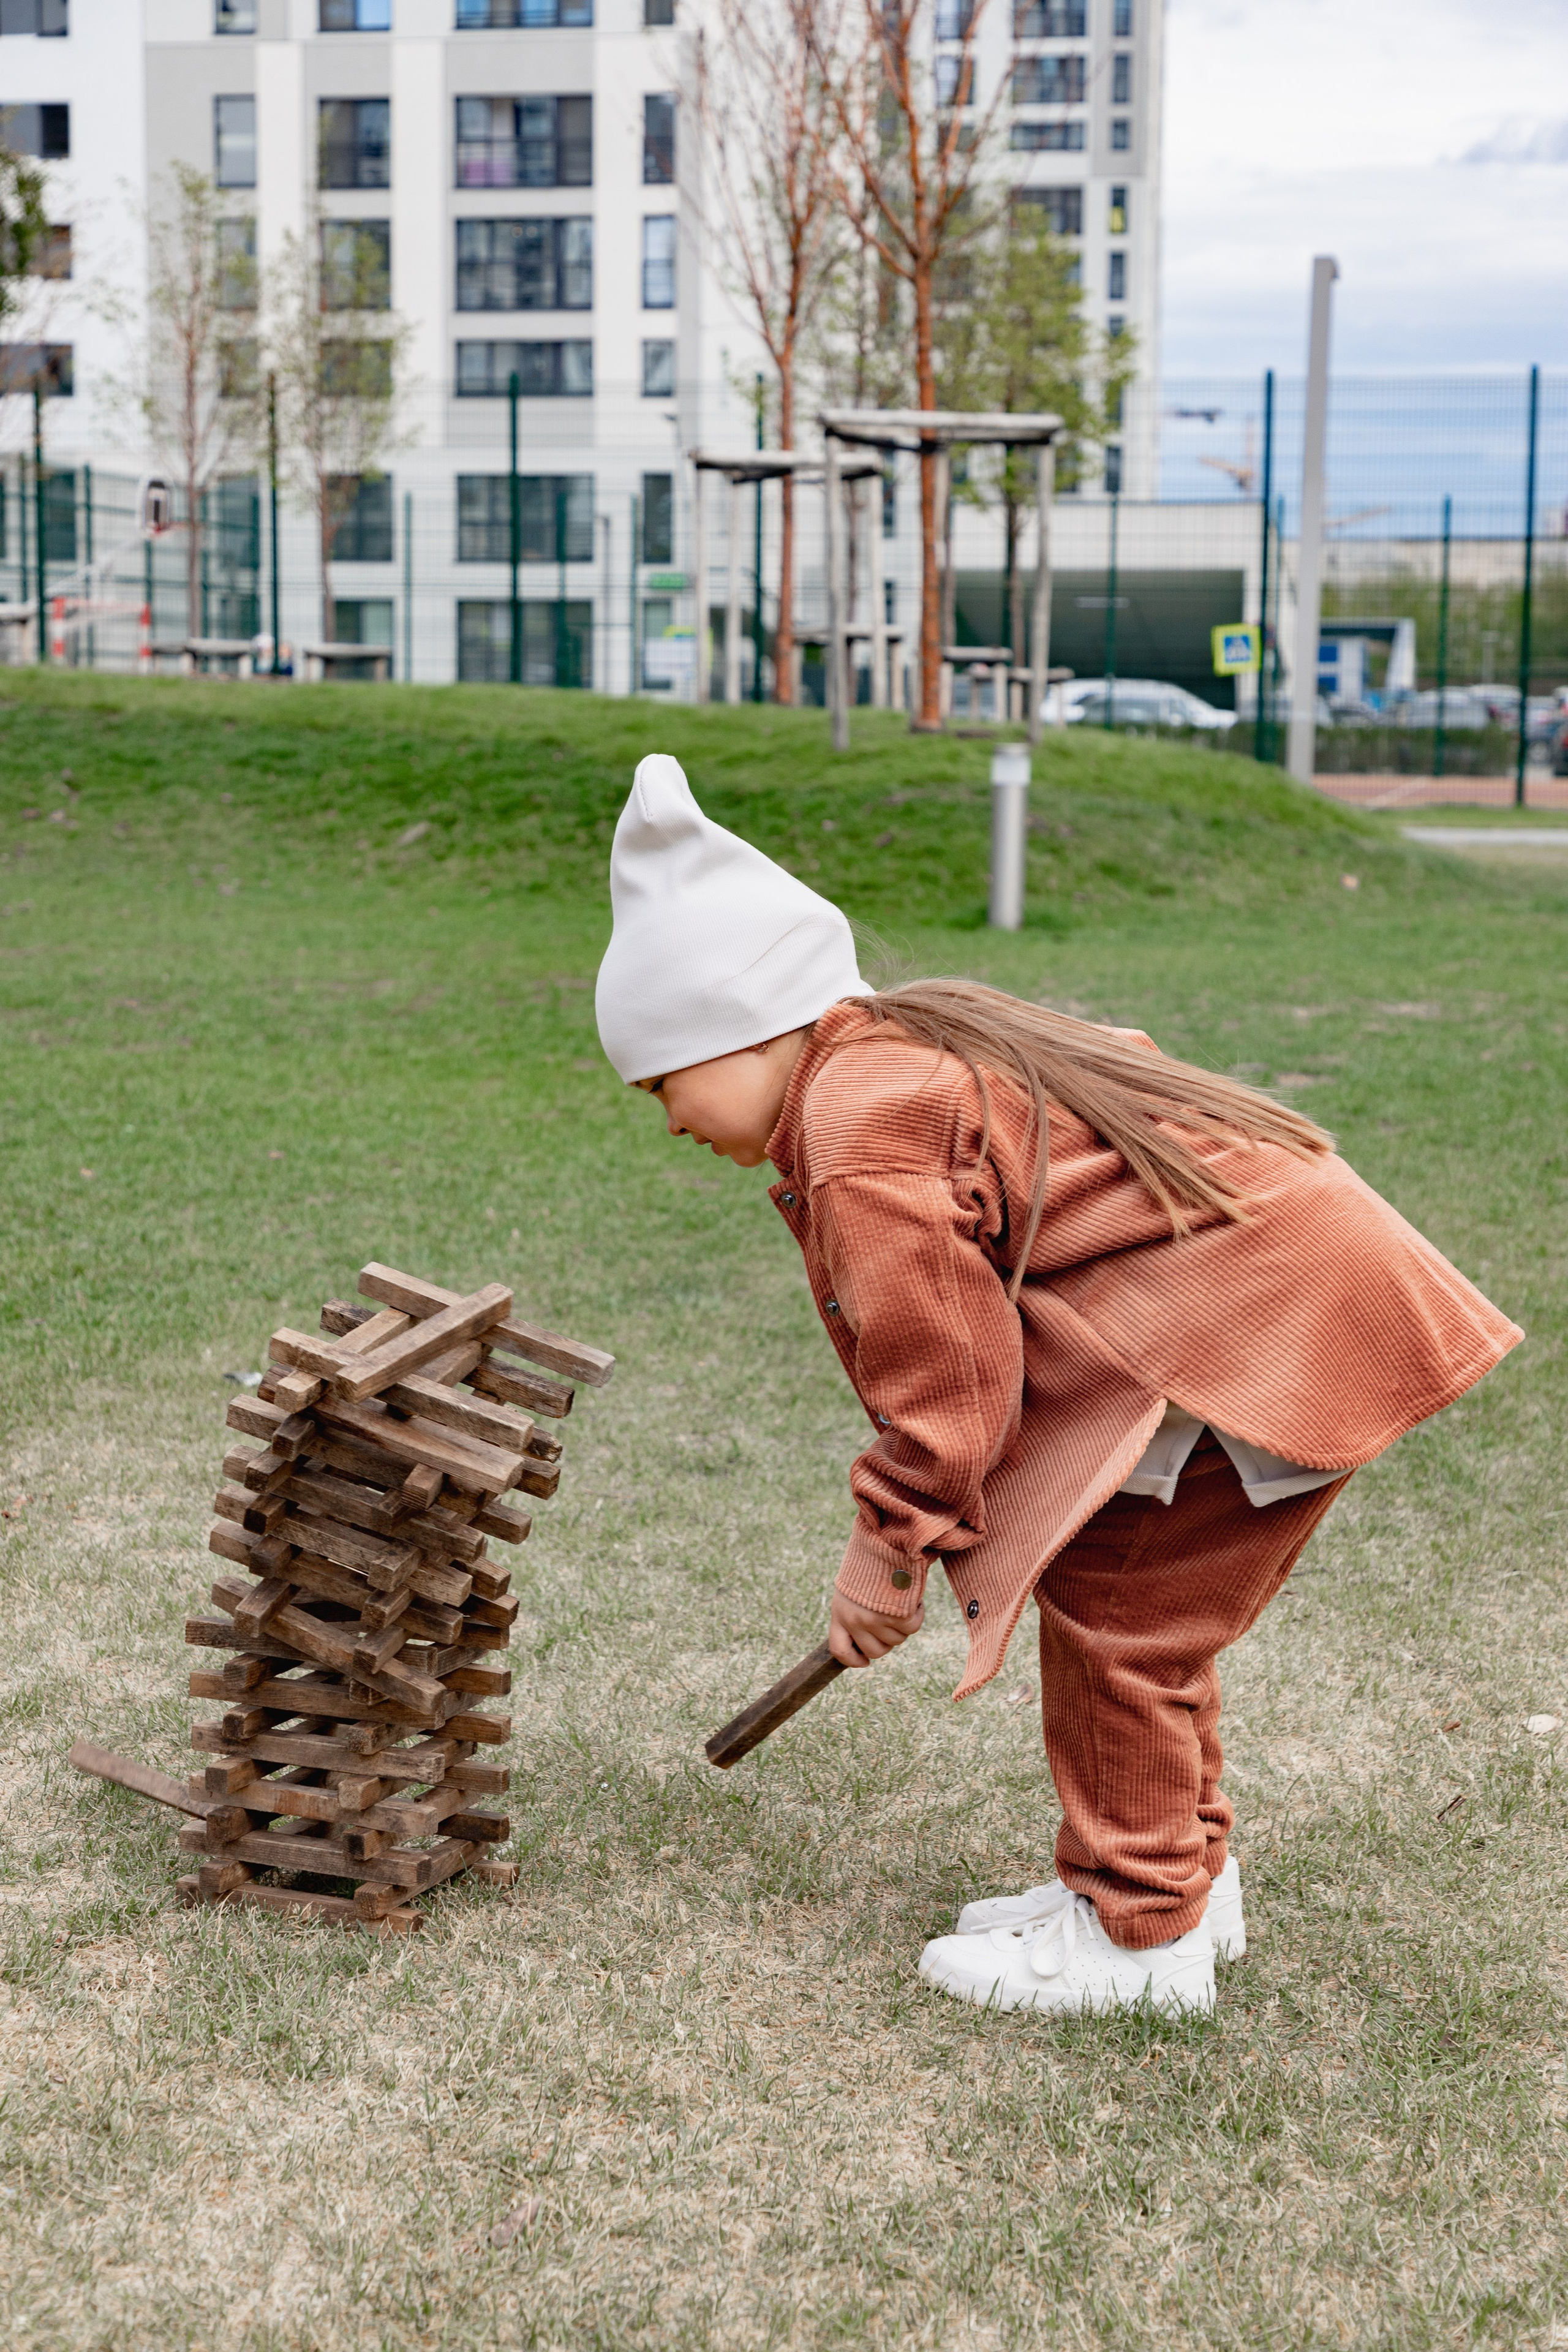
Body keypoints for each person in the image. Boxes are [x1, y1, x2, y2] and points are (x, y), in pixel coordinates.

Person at [595, 756, 1521, 2018]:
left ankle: (1140, 1937)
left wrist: (887, 1553)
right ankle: (1172, 1881)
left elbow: (948, 1377)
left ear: (746, 1032)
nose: (665, 1119)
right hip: (1266, 1308)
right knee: (1134, 1601)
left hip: (1261, 1328)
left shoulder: (857, 1126)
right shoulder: (897, 1052)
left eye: (663, 1081)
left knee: (1123, 1614)